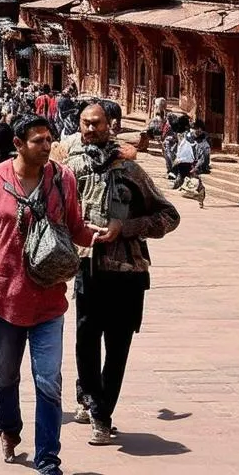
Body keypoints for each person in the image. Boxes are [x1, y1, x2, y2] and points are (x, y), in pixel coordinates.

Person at [0, 115, 96, 474]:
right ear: (18, 144)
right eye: (38, 140)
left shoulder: (62, 179)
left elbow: (76, 226)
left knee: (49, 380)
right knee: (5, 376)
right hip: (5, 300)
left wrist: (102, 235)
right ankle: (9, 426)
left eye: (49, 139)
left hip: (50, 300)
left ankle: (49, 458)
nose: (47, 146)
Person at [60, 102, 180, 445]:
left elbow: (169, 216)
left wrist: (125, 227)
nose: (89, 130)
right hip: (87, 267)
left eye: (96, 123)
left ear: (110, 125)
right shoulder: (72, 165)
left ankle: (102, 413)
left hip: (127, 272)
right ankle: (91, 399)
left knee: (117, 346)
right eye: (84, 123)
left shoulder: (130, 170)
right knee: (85, 339)